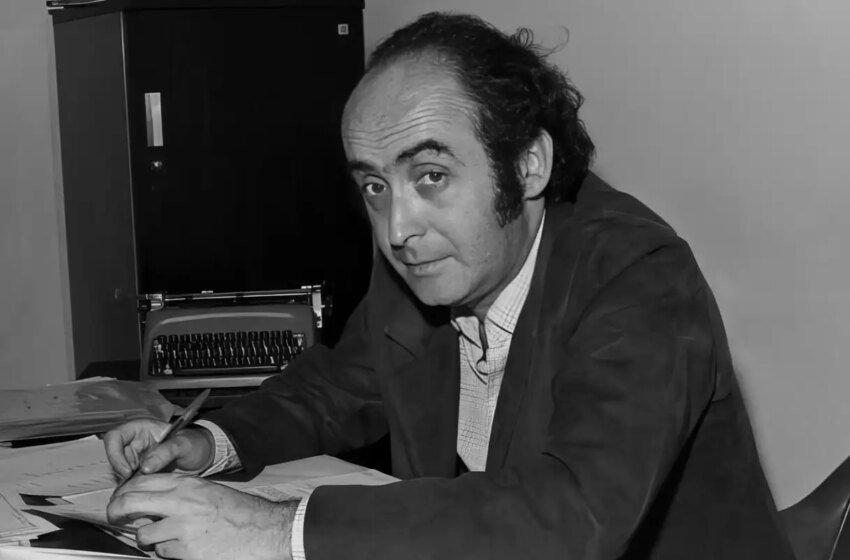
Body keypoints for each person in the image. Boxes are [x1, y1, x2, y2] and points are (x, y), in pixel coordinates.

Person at [105, 12, 794, 560]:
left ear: (527, 165)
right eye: (374, 186)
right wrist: (211, 443)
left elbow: (573, 513)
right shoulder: (430, 262)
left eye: (430, 175)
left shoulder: (638, 275)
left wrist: (274, 530)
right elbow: (335, 389)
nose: (397, 228)